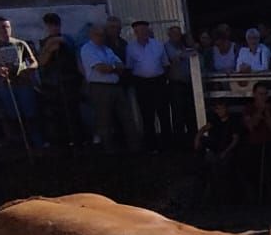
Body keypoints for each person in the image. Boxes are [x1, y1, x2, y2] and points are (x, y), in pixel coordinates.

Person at [0, 16, 44, 149]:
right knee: (12, 116)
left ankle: (37, 142)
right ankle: (19, 144)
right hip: (6, 86)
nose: (5, 30)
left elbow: (34, 62)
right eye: (2, 27)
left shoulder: (20, 44)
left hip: (24, 85)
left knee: (31, 114)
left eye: (7, 26)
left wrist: (27, 68)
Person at [79, 23, 132, 152]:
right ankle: (109, 150)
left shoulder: (107, 49)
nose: (101, 37)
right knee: (104, 119)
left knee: (126, 117)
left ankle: (133, 147)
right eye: (98, 35)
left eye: (103, 35)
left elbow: (121, 65)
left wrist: (112, 68)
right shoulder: (87, 49)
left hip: (115, 86)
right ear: (91, 35)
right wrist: (114, 68)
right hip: (99, 88)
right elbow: (100, 68)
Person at [37, 13, 86, 146]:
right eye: (50, 25)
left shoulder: (68, 40)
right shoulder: (44, 42)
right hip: (53, 86)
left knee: (73, 114)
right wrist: (48, 48)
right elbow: (41, 62)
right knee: (56, 116)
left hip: (70, 83)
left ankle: (78, 140)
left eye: (55, 25)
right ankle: (60, 141)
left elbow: (75, 56)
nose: (53, 28)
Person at [124, 20, 171, 150]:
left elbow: (166, 64)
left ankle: (167, 144)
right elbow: (129, 67)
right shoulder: (130, 47)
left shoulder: (158, 45)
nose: (144, 32)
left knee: (164, 113)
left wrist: (162, 80)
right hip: (142, 84)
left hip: (158, 82)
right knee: (147, 115)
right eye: (141, 30)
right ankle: (151, 145)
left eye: (146, 30)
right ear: (135, 32)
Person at [194, 96, 245, 205]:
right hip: (216, 149)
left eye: (222, 108)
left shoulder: (233, 121)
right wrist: (197, 138)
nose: (220, 111)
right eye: (218, 108)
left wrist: (225, 152)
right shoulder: (214, 120)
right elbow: (204, 129)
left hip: (229, 151)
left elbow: (235, 140)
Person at [165, 25, 198, 143]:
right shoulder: (167, 46)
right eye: (174, 34)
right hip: (176, 84)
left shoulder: (184, 46)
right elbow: (175, 57)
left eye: (179, 34)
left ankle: (192, 140)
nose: (177, 36)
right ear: (169, 35)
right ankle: (179, 142)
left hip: (189, 84)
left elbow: (194, 53)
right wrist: (186, 54)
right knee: (178, 114)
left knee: (190, 112)